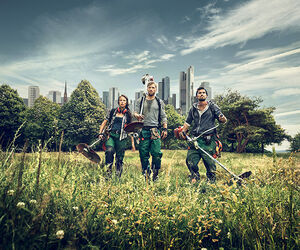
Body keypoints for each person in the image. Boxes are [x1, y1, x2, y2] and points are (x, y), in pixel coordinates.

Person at [179, 87, 227, 183]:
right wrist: (183, 131)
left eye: (203, 93)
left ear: (206, 95)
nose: (201, 94)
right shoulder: (193, 108)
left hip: (208, 140)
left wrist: (222, 118)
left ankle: (211, 181)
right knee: (190, 160)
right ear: (197, 96)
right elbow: (187, 123)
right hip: (195, 139)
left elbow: (222, 118)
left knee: (210, 163)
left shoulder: (213, 107)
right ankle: (195, 176)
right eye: (199, 93)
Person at [134, 81, 167, 181]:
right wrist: (137, 115)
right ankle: (146, 174)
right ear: (147, 89)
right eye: (149, 87)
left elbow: (163, 116)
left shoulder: (159, 102)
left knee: (156, 153)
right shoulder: (140, 100)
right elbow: (135, 112)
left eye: (153, 88)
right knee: (143, 154)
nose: (151, 89)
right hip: (143, 129)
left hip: (155, 129)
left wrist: (165, 128)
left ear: (156, 89)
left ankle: (155, 174)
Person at [98, 95, 133, 178]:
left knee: (119, 158)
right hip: (111, 136)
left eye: (124, 100)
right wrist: (100, 133)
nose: (122, 102)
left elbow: (131, 128)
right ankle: (108, 174)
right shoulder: (113, 111)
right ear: (118, 102)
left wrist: (133, 144)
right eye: (120, 100)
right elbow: (104, 122)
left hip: (122, 138)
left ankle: (118, 177)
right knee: (109, 151)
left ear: (126, 102)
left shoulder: (128, 114)